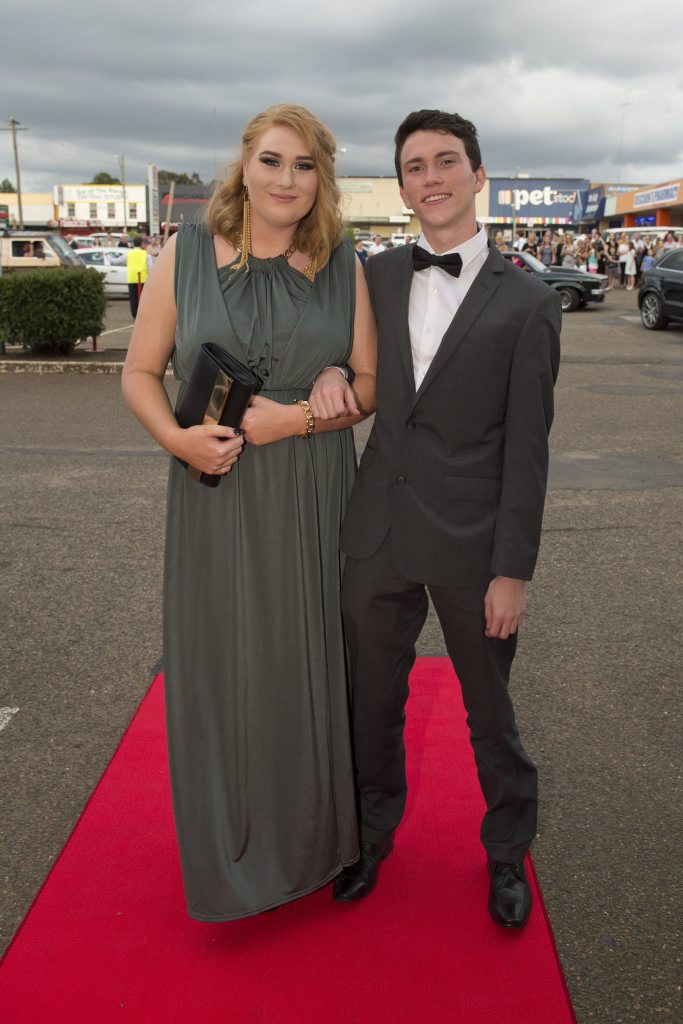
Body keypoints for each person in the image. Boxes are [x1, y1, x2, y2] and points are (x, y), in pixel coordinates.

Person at [121, 103, 377, 921]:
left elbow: (369, 389)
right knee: (226, 664)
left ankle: (314, 841)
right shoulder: (183, 252)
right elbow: (137, 371)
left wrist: (304, 410)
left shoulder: (344, 265)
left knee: (306, 663)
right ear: (243, 164)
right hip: (217, 492)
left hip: (309, 490)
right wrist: (177, 439)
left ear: (322, 177)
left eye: (304, 166)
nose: (286, 181)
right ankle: (231, 850)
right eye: (272, 161)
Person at [320, 108, 560, 930]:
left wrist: (512, 570)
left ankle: (504, 854)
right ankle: (368, 839)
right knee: (369, 702)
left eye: (446, 160)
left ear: (477, 173)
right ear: (401, 186)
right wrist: (326, 370)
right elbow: (347, 357)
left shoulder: (529, 302)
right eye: (415, 165)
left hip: (471, 543)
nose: (431, 177)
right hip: (377, 530)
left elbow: (528, 450)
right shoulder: (374, 274)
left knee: (488, 711)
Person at [126, 237, 148, 317]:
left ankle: (134, 314)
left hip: (131, 278)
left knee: (133, 297)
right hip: (142, 278)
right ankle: (142, 314)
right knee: (143, 298)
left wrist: (108, 257)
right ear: (141, 244)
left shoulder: (128, 253)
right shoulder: (145, 254)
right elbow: (151, 266)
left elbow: (117, 260)